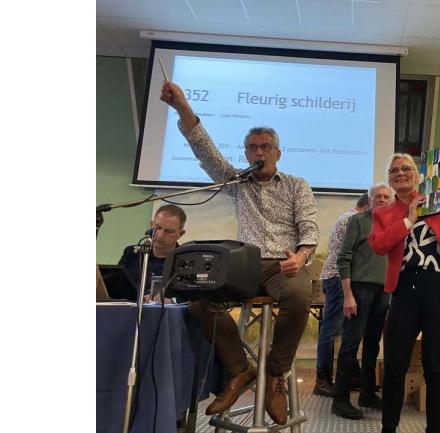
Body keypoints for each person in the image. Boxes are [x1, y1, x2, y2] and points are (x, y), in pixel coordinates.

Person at [160, 81, 320, 424]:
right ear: (246, 154)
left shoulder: (297, 185)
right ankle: (238, 369)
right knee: (197, 300)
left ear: (278, 153)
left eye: (265, 147)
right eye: (252, 148)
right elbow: (205, 150)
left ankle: (274, 375)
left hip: (283, 265)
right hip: (244, 267)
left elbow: (309, 228)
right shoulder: (237, 181)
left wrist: (301, 257)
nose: (259, 153)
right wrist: (182, 107)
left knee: (298, 295)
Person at [369, 153, 440, 433]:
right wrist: (408, 220)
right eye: (394, 170)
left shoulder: (437, 200)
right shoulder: (382, 213)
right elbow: (378, 245)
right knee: (394, 366)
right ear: (389, 178)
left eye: (406, 168)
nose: (400, 173)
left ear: (416, 175)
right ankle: (389, 429)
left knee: (435, 366)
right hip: (404, 288)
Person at [331, 183, 393, 420]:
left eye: (386, 196)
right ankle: (340, 399)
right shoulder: (357, 221)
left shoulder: (392, 225)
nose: (382, 199)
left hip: (383, 290)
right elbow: (343, 257)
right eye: (378, 196)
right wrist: (348, 295)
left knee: (372, 345)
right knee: (350, 343)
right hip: (359, 289)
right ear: (370, 200)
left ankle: (367, 393)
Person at [314, 193, 370, 397]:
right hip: (338, 277)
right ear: (368, 206)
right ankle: (322, 380)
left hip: (337, 277)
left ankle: (352, 375)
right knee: (332, 329)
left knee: (347, 328)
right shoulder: (352, 219)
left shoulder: (347, 217)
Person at [118, 204, 186, 291]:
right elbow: (116, 285)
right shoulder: (132, 253)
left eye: (169, 231)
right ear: (151, 225)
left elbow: (192, 296)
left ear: (180, 234)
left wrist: (172, 298)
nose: (160, 236)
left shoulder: (186, 262)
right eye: (157, 228)